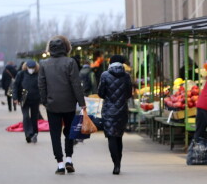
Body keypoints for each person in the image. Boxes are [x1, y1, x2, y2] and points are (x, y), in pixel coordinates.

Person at [38, 35, 86, 174]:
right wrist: (81, 103)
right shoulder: (70, 62)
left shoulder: (43, 64)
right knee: (69, 132)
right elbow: (76, 84)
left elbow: (41, 85)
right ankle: (69, 159)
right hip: (69, 104)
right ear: (65, 47)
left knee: (55, 134)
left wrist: (45, 101)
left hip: (52, 105)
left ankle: (59, 163)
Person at [97, 55, 132, 175]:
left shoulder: (105, 75)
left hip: (108, 111)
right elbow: (129, 94)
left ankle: (115, 164)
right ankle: (118, 164)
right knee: (119, 137)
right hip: (122, 110)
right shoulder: (126, 76)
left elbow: (101, 93)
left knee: (111, 137)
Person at [13, 60, 41, 143]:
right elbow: (15, 86)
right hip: (24, 98)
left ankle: (34, 133)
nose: (31, 69)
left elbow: (42, 86)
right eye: (30, 68)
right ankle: (28, 134)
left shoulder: (38, 74)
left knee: (34, 117)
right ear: (26, 67)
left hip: (35, 98)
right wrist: (15, 98)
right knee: (25, 116)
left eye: (33, 68)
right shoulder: (21, 74)